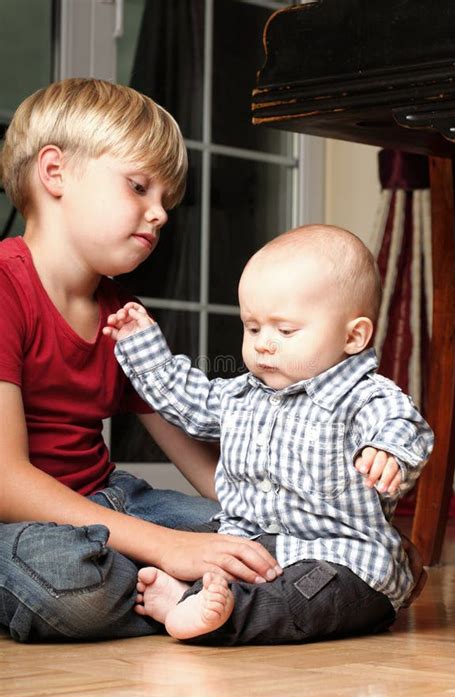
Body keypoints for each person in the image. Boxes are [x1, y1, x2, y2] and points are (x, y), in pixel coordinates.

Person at [0, 77, 283, 643]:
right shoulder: (6, 288)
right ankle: (186, 591)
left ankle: (180, 594)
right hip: (20, 520)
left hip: (111, 501)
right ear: (54, 172)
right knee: (77, 590)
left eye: (166, 202)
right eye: (139, 187)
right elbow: (6, 480)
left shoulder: (120, 316)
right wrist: (168, 546)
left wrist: (298, 523)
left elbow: (201, 462)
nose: (159, 215)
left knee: (265, 546)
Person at [104, 224, 435, 646]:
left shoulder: (364, 396)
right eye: (253, 328)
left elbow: (403, 425)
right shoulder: (243, 395)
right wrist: (140, 343)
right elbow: (184, 400)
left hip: (339, 556)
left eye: (285, 330)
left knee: (312, 595)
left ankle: (217, 614)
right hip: (255, 545)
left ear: (353, 336)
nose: (263, 345)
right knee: (208, 554)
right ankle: (197, 597)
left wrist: (387, 452)